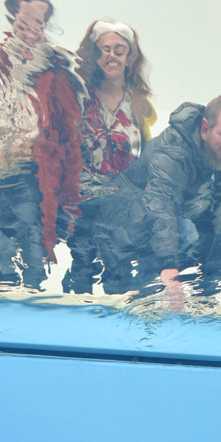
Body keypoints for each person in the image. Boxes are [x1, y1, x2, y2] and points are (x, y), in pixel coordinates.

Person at [0, 0, 84, 289]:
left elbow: (71, 134)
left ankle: (33, 296)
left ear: (45, 25)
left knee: (33, 242)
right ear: (13, 21)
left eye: (38, 24)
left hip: (33, 174)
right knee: (1, 245)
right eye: (23, 24)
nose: (30, 32)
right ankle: (4, 295)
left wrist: (70, 191)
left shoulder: (55, 71)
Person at [94, 94, 221, 298]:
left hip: (159, 218)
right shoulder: (173, 152)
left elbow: (215, 189)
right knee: (184, 234)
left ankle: (206, 299)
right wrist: (168, 265)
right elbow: (160, 203)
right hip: (122, 224)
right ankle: (141, 297)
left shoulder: (213, 149)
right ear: (204, 129)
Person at [65, 18, 156, 291]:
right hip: (85, 200)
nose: (112, 56)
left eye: (119, 50)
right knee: (82, 267)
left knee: (120, 270)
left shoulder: (140, 103)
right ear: (95, 54)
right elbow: (65, 149)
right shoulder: (78, 97)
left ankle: (119, 313)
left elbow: (146, 154)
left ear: (130, 58)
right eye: (105, 49)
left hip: (124, 202)